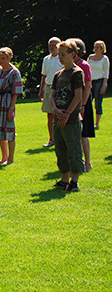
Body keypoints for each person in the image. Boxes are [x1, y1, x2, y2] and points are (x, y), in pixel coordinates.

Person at [50, 40, 84, 192]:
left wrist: (67, 114)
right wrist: (56, 110)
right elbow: (52, 95)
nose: (60, 57)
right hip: (58, 117)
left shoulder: (77, 73)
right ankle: (64, 180)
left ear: (73, 54)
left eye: (63, 55)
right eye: (59, 55)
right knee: (60, 149)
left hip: (71, 119)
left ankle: (74, 181)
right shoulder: (58, 75)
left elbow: (78, 96)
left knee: (73, 149)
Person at [0, 47, 23, 165]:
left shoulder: (14, 72)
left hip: (7, 101)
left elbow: (16, 92)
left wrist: (11, 109)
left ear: (9, 58)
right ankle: (4, 157)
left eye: (3, 58)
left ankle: (11, 158)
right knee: (0, 131)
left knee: (9, 130)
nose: (0, 60)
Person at [71, 38, 95, 172]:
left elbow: (88, 86)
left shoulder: (84, 65)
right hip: (71, 101)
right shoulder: (67, 65)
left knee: (83, 133)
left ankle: (87, 163)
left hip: (82, 102)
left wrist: (83, 105)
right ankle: (74, 162)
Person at [39, 37, 63, 148]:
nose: (51, 47)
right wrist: (41, 90)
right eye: (50, 45)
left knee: (60, 114)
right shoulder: (46, 59)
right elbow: (44, 75)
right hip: (48, 87)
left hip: (60, 88)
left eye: (54, 45)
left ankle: (61, 139)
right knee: (49, 115)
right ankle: (51, 138)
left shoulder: (62, 59)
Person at [88, 40, 109, 128]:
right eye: (95, 47)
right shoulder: (90, 57)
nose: (95, 49)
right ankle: (87, 121)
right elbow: (87, 69)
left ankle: (97, 123)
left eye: (97, 47)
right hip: (90, 81)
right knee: (87, 101)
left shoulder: (104, 59)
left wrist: (104, 85)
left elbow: (106, 72)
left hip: (99, 81)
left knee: (97, 103)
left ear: (101, 49)